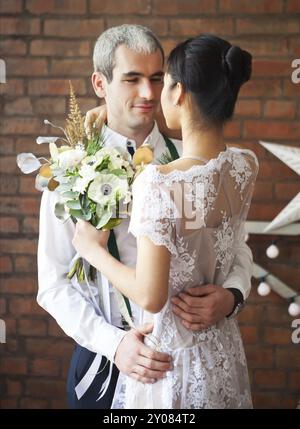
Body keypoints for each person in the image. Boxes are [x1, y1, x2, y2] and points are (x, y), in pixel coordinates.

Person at [38, 25, 254, 409]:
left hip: (183, 368)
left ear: (176, 87)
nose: (149, 93)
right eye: (132, 79)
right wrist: (114, 343)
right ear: (100, 84)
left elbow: (236, 246)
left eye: (158, 79)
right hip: (103, 365)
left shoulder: (190, 160)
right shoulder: (68, 168)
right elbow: (52, 284)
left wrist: (232, 296)